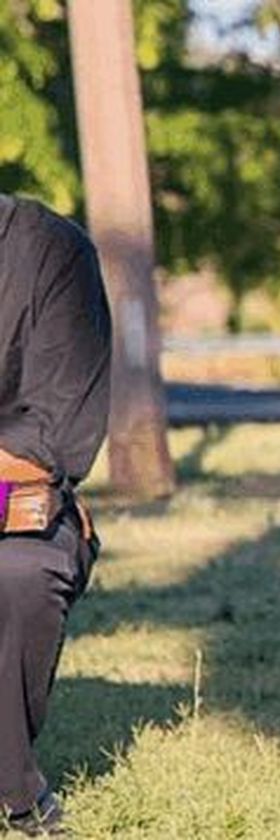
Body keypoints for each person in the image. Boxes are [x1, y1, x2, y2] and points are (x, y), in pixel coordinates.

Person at [0, 194, 111, 834]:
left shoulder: (53, 252)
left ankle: (14, 787)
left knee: (20, 575)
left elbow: (55, 440)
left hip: (18, 510)